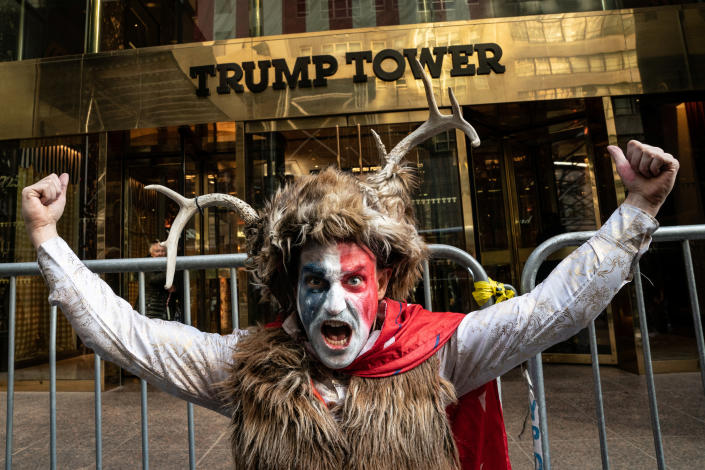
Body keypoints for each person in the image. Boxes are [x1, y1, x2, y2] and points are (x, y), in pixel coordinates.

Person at [21, 135, 677, 469]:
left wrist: (636, 209)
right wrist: (47, 237)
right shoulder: (245, 369)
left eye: (354, 280)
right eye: (314, 282)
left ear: (384, 281)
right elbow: (124, 334)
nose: (333, 300)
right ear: (290, 288)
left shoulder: (442, 354)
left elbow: (553, 307)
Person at [145, 240, 180, 321]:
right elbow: (152, 279)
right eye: (157, 251)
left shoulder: (168, 264)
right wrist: (171, 271)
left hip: (165, 309)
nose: (161, 254)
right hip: (150, 307)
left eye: (163, 251)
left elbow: (178, 286)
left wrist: (174, 288)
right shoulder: (147, 263)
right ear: (151, 253)